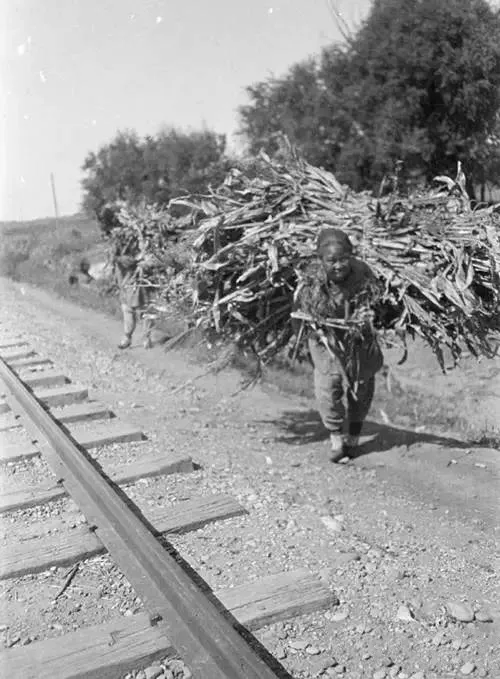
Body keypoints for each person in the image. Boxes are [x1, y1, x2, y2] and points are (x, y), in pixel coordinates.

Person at [295, 227, 383, 462]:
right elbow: (300, 311)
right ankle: (335, 436)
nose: (338, 265)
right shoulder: (311, 280)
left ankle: (353, 435)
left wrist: (367, 313)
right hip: (324, 336)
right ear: (320, 260)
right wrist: (311, 331)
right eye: (331, 261)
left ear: (351, 256)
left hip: (358, 334)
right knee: (329, 382)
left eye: (343, 259)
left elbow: (376, 300)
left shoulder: (363, 273)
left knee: (361, 382)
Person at [112, 245, 154, 350]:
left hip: (140, 292)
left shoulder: (140, 259)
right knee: (129, 316)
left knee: (145, 314)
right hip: (126, 292)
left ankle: (146, 338)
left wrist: (141, 262)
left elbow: (149, 265)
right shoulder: (120, 261)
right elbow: (127, 262)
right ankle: (127, 338)